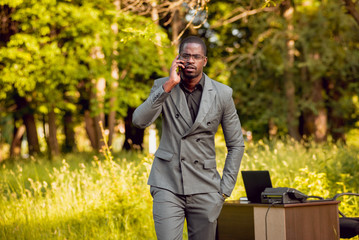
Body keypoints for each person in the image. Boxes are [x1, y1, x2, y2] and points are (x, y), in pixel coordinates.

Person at [132, 36, 245, 240]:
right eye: (186, 56)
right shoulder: (163, 86)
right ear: (178, 58)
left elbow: (236, 144)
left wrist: (224, 190)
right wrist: (169, 85)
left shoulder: (222, 94)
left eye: (196, 56)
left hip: (206, 187)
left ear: (204, 60)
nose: (191, 60)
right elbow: (139, 121)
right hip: (167, 183)